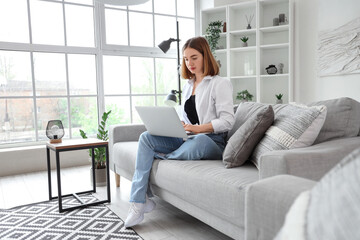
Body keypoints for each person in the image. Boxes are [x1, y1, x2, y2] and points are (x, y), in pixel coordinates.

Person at [124, 36, 235, 228]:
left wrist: (198, 128)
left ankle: (155, 158)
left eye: (194, 57)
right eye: (185, 59)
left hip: (211, 141)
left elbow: (228, 121)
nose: (189, 63)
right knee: (146, 137)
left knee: (199, 141)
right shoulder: (188, 86)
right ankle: (139, 201)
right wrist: (180, 124)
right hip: (188, 138)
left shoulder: (220, 83)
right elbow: (188, 117)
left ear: (205, 56)